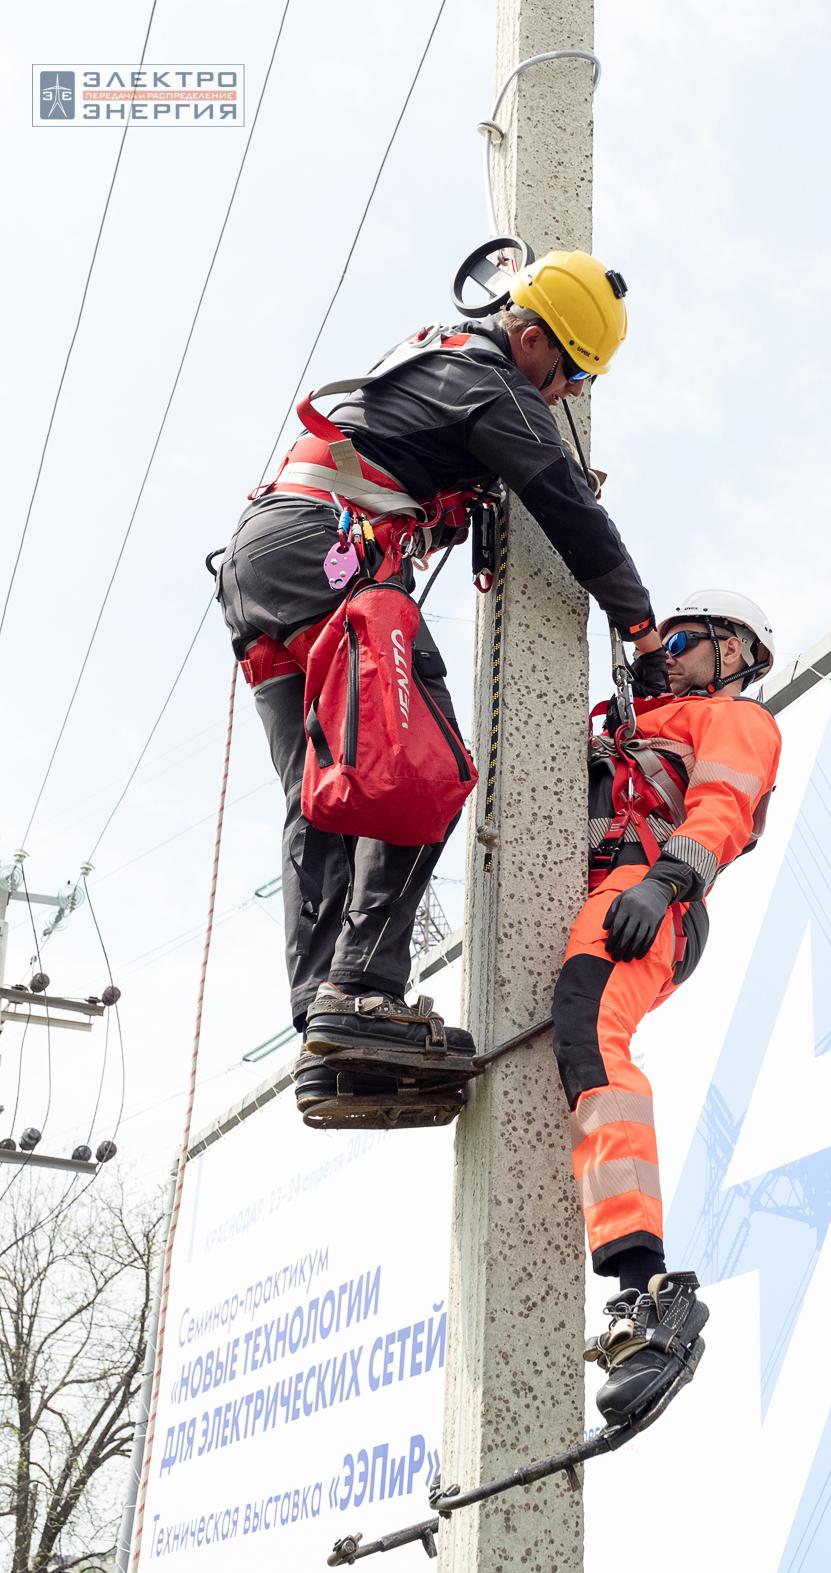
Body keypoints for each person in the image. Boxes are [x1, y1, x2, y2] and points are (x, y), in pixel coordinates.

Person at [213, 250, 665, 1117]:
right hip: (322, 551)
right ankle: (364, 992)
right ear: (527, 337)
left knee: (325, 792)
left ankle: (325, 1017)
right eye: (567, 373)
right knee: (424, 765)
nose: (565, 395)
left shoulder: (435, 365)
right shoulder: (491, 384)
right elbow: (573, 514)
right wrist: (639, 628)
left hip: (263, 564)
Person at [551, 590, 782, 1426]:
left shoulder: (733, 719)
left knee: (590, 1033)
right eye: (665, 639)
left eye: (686, 639)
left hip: (645, 896)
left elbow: (722, 810)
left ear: (735, 654)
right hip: (583, 897)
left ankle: (644, 1288)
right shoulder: (615, 720)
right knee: (569, 1054)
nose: (668, 650)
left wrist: (666, 880)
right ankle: (629, 1280)